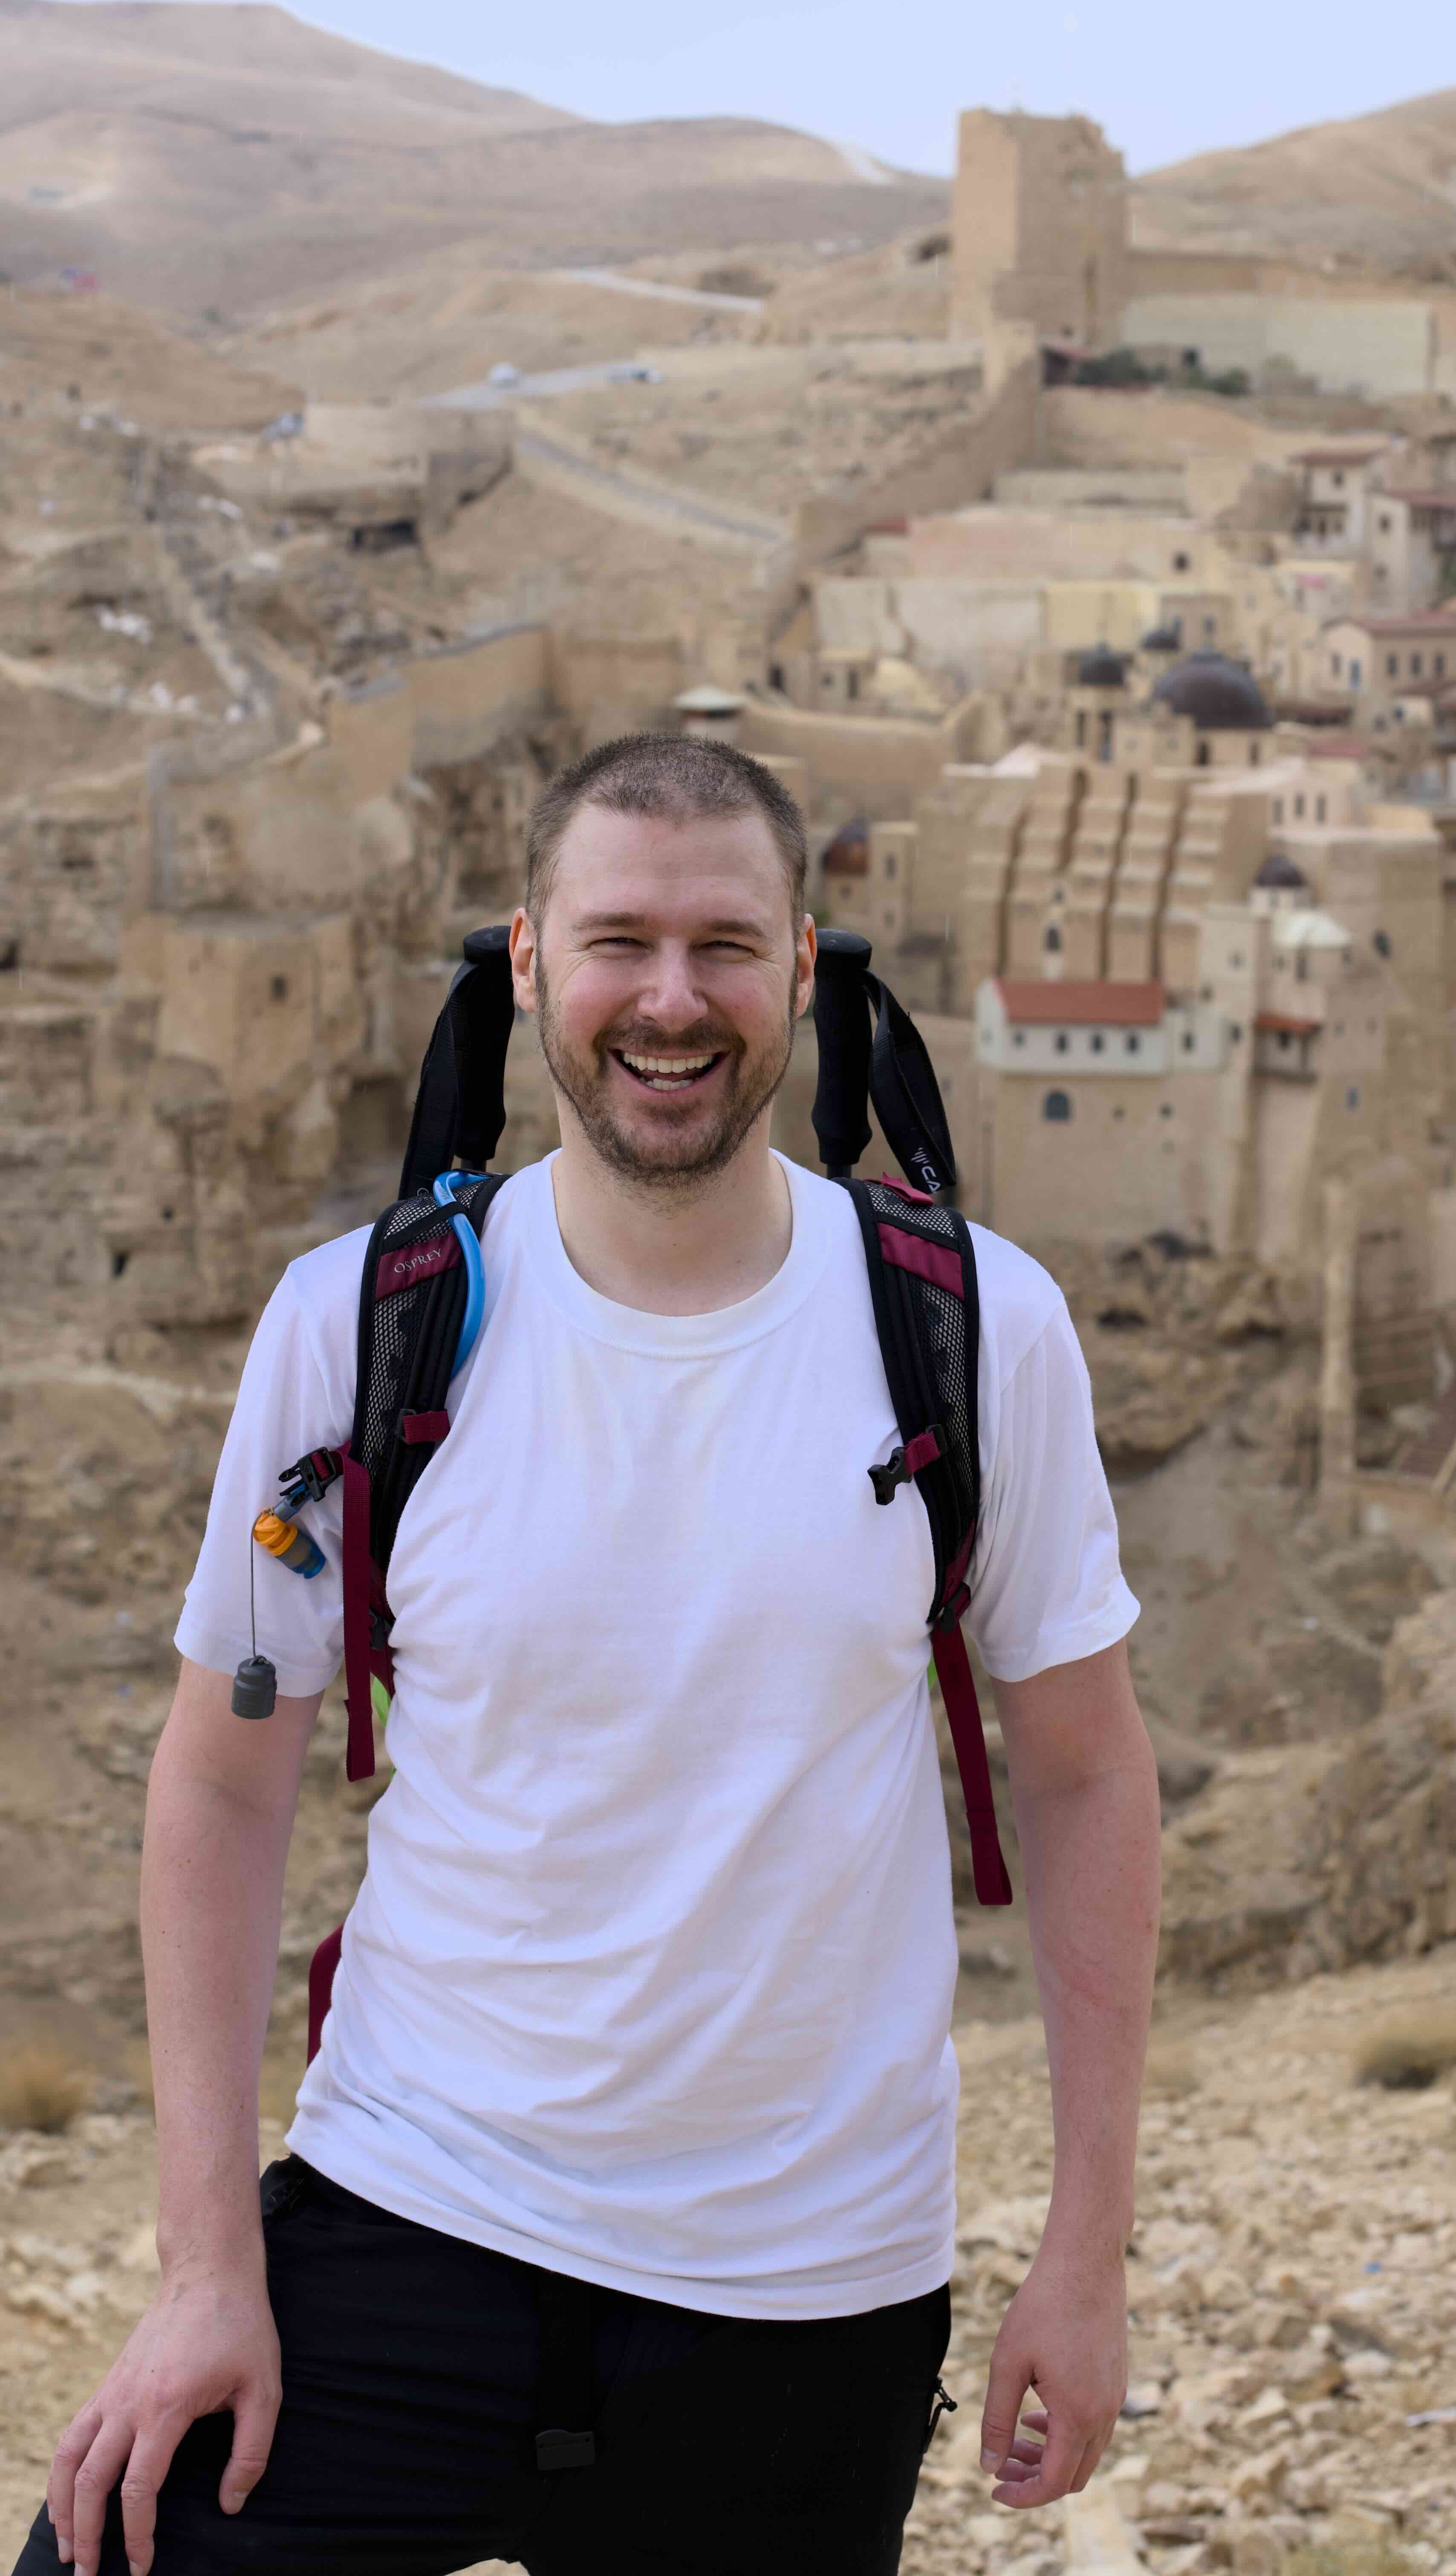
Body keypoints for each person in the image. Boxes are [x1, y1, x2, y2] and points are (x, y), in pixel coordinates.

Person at [20, 735, 1161, 2576]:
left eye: (724, 945)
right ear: (529, 964)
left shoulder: (970, 1329)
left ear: (803, 970)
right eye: (618, 940)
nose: (670, 999)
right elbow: (221, 1784)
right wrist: (205, 2271)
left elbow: (1089, 1774)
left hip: (802, 2295)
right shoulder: (362, 1326)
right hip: (412, 2212)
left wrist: (1084, 2258)